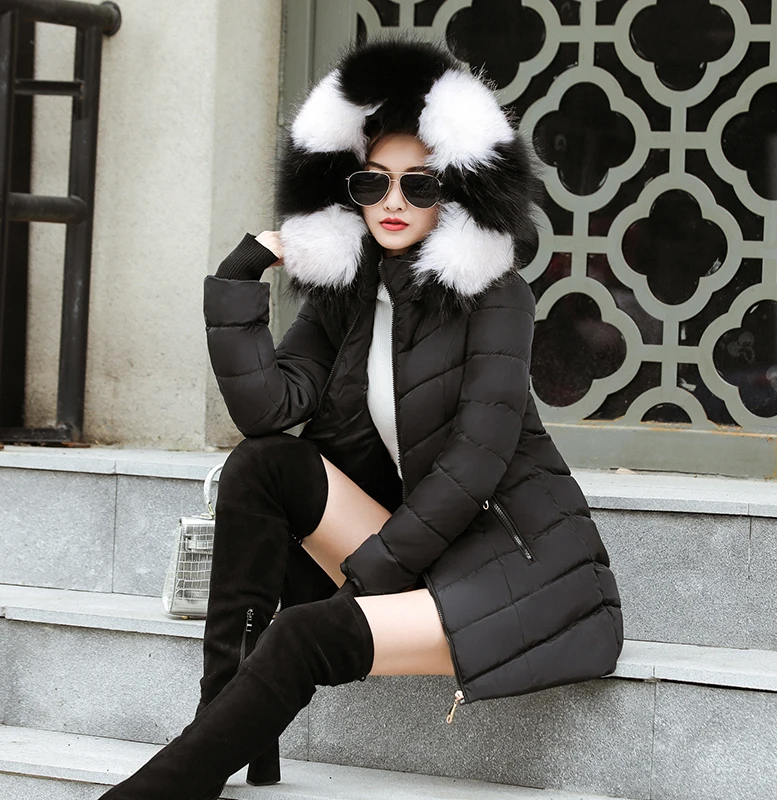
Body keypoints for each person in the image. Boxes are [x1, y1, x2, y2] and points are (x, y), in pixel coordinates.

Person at [98, 35, 623, 800]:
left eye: (420, 185)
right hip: (425, 547)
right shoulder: (350, 297)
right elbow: (268, 411)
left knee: (303, 633)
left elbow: (473, 466)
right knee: (262, 466)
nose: (393, 203)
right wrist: (241, 275)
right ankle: (226, 725)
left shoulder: (497, 296)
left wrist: (367, 576)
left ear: (457, 191)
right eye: (373, 184)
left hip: (522, 568)